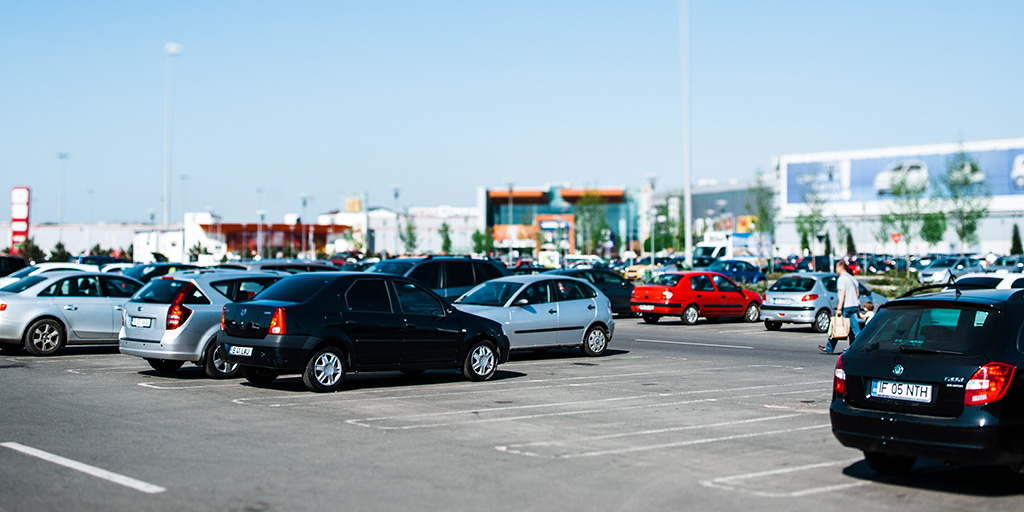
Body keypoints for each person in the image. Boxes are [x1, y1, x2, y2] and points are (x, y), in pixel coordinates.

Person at [819, 260, 861, 354]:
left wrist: (839, 308)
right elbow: (857, 292)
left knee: (838, 325)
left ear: (840, 267)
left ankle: (829, 348)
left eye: (836, 267)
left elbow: (842, 294)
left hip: (846, 306)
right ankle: (858, 346)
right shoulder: (852, 278)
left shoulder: (842, 279)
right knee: (855, 329)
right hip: (854, 305)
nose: (835, 269)